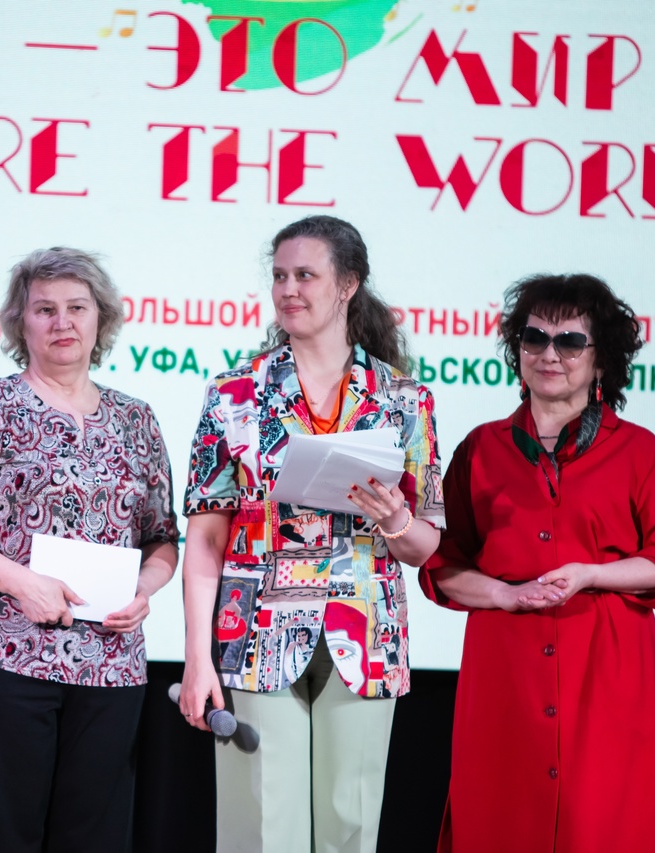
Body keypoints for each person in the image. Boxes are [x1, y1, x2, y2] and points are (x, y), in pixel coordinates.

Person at [179, 215, 445, 853]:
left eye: (305, 275)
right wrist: (196, 658)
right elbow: (205, 540)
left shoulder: (403, 399)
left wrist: (395, 520)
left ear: (348, 284)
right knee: (261, 829)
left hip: (366, 635)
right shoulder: (234, 395)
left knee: (350, 827)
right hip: (256, 632)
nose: (288, 289)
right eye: (279, 276)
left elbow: (425, 546)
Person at [419, 273, 655, 852]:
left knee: (606, 825)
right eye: (534, 338)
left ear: (601, 362)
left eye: (570, 341)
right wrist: (502, 593)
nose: (550, 354)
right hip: (505, 682)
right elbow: (442, 567)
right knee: (499, 823)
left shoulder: (639, 452)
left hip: (608, 678)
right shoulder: (480, 450)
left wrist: (592, 574)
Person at [0, 247, 179, 853]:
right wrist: (24, 584)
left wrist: (144, 590)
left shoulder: (136, 419)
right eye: (44, 309)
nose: (62, 322)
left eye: (76, 308)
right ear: (21, 323)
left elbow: (162, 537)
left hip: (111, 665)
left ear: (101, 319)